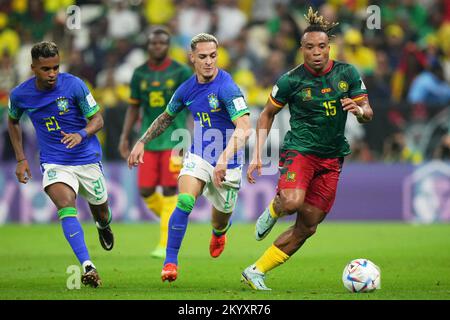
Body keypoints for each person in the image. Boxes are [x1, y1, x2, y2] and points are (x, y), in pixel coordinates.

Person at [241, 8, 374, 291]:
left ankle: (256, 270)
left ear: (329, 48)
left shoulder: (347, 73)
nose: (317, 52)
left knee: (309, 225)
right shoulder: (290, 80)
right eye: (310, 47)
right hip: (300, 150)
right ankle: (274, 210)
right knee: (291, 202)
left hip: (333, 156)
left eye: (322, 47)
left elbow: (368, 111)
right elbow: (266, 114)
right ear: (301, 49)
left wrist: (359, 111)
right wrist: (256, 156)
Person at [128, 33, 251, 282]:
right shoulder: (186, 88)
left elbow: (245, 128)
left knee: (220, 218)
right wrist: (142, 141)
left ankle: (219, 232)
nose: (209, 61)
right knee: (184, 201)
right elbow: (166, 117)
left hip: (228, 163)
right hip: (199, 155)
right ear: (192, 57)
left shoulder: (227, 87)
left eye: (213, 56)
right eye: (203, 56)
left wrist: (225, 159)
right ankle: (170, 261)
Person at [7, 41, 114, 288]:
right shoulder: (20, 95)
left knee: (102, 210)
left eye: (56, 67)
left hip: (86, 158)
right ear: (33, 67)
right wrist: (22, 158)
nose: (52, 74)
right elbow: (12, 122)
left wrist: (82, 134)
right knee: (66, 206)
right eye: (46, 69)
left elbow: (97, 119)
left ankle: (103, 225)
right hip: (55, 161)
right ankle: (88, 266)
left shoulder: (74, 85)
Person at [118, 26, 192, 259]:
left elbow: (191, 106)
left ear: (168, 46)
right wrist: (125, 136)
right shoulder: (139, 74)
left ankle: (164, 244)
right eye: (153, 43)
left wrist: (190, 136)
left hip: (175, 139)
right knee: (146, 191)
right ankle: (172, 221)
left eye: (161, 43)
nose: (157, 47)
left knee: (171, 189)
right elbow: (133, 107)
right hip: (148, 141)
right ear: (148, 45)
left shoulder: (181, 71)